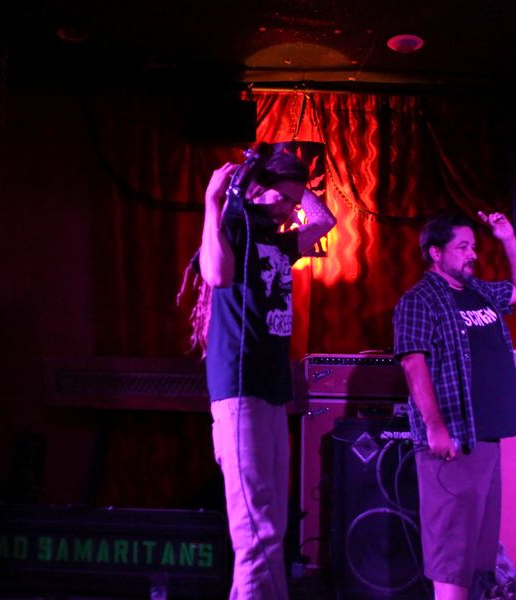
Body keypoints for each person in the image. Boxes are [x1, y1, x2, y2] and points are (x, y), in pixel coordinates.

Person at [180, 143, 336, 599]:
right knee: (255, 528)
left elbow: (324, 221)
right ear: (256, 190)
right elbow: (216, 275)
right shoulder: (235, 226)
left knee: (273, 524)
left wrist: (293, 180)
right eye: (282, 198)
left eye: (293, 202)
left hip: (271, 388)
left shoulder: (277, 240)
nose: (289, 209)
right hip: (239, 386)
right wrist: (216, 199)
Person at [393, 211, 516, 600]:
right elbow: (413, 363)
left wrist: (507, 237)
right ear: (436, 252)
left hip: (486, 438)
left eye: (473, 246)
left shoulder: (479, 291)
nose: (472, 254)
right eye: (463, 247)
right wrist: (435, 426)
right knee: (452, 553)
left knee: (477, 556)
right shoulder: (419, 300)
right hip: (453, 440)